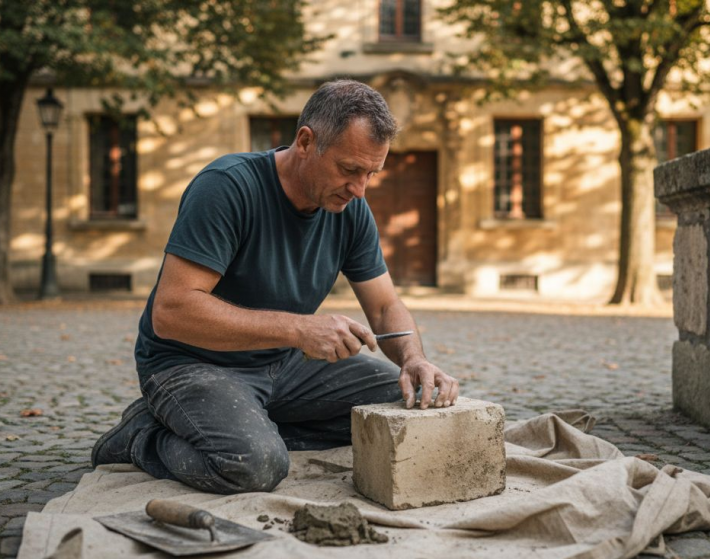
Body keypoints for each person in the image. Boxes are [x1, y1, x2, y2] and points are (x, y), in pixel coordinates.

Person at [90, 80, 459, 495]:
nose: (360, 190)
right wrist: (300, 330)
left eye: (372, 173)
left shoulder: (350, 209)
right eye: (349, 169)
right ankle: (142, 435)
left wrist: (413, 358)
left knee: (405, 406)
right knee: (256, 466)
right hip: (192, 363)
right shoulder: (227, 187)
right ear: (305, 141)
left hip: (285, 366)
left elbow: (385, 306)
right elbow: (172, 312)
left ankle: (244, 422)